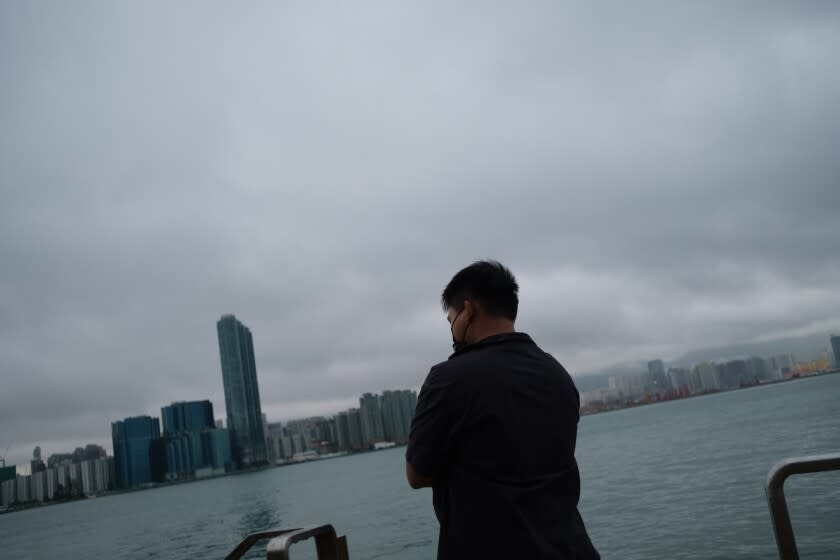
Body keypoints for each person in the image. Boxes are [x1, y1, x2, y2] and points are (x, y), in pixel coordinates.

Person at [406, 260, 600, 559]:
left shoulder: (448, 379)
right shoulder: (556, 372)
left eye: (451, 320)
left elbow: (417, 474)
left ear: (467, 311)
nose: (453, 331)